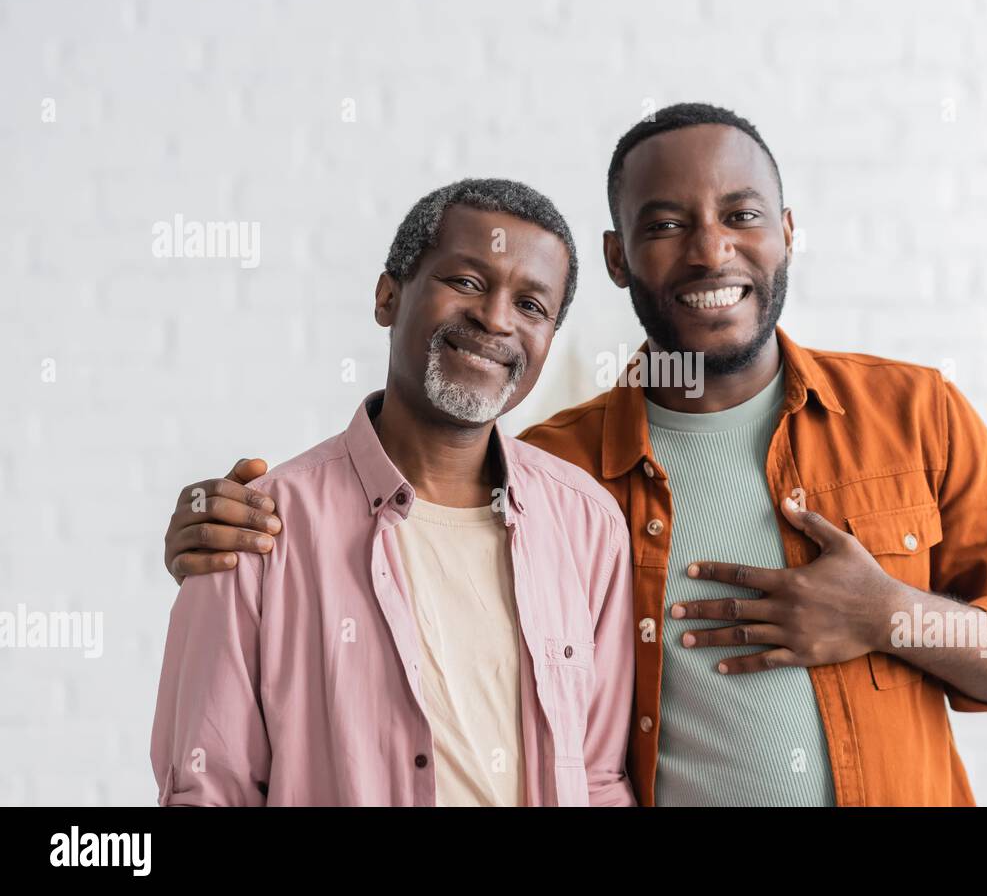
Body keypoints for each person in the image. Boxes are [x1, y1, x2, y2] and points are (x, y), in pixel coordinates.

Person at [161, 104, 987, 806]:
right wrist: (221, 535)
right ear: (617, 257)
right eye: (665, 224)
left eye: (742, 213)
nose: (710, 249)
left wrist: (892, 617)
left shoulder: (914, 412)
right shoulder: (559, 477)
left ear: (787, 231)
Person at [151, 178, 636, 806]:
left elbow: (597, 781)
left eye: (531, 306)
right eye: (465, 281)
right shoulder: (256, 527)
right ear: (388, 296)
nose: (494, 318)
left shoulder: (588, 526)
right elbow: (209, 790)